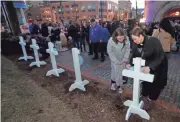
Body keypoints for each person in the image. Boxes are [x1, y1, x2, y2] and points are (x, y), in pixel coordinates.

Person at [126, 27, 168, 110]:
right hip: (146, 64)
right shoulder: (135, 43)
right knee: (145, 80)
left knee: (156, 82)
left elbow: (160, 56)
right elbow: (133, 54)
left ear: (141, 35)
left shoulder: (153, 41)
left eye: (135, 39)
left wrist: (151, 67)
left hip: (159, 64)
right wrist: (130, 63)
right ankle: (144, 96)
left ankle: (151, 99)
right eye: (133, 39)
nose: (134, 41)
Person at [107, 28, 130, 93]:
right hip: (115, 59)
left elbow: (128, 49)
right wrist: (116, 60)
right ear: (115, 37)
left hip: (123, 59)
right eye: (119, 38)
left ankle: (119, 85)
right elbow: (109, 51)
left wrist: (125, 59)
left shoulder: (126, 39)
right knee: (115, 72)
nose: (121, 40)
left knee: (121, 73)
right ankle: (115, 84)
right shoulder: (111, 41)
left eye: (122, 38)